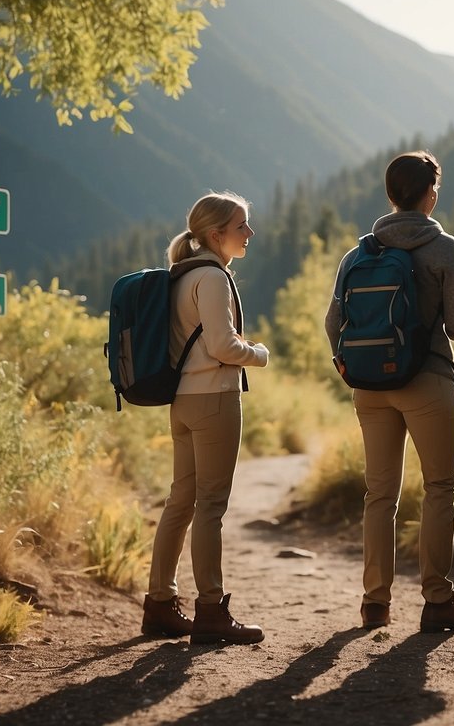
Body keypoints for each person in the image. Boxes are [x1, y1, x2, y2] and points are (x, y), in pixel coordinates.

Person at [324, 150, 454, 633]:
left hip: (369, 386)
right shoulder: (443, 248)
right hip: (427, 380)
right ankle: (437, 600)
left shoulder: (360, 252)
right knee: (439, 488)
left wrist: (349, 365)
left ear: (392, 195)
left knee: (380, 494)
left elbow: (334, 322)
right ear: (430, 194)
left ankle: (375, 603)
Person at [141, 191, 270, 646]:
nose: (249, 233)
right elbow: (222, 347)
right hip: (214, 399)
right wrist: (258, 354)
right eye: (241, 226)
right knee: (210, 507)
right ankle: (212, 610)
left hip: (182, 401)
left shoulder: (182, 275)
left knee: (180, 503)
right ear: (217, 234)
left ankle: (159, 604)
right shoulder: (212, 278)